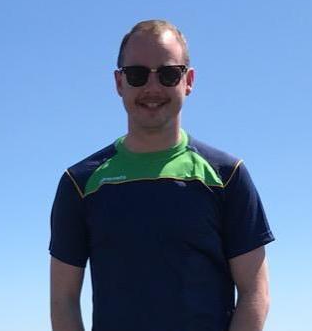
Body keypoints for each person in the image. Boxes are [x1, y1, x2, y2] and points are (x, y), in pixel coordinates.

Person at [49, 20, 275, 331]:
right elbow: (63, 300)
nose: (152, 88)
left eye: (168, 74)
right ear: (119, 82)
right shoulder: (80, 183)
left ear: (188, 80)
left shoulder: (227, 176)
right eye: (137, 75)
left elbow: (255, 291)